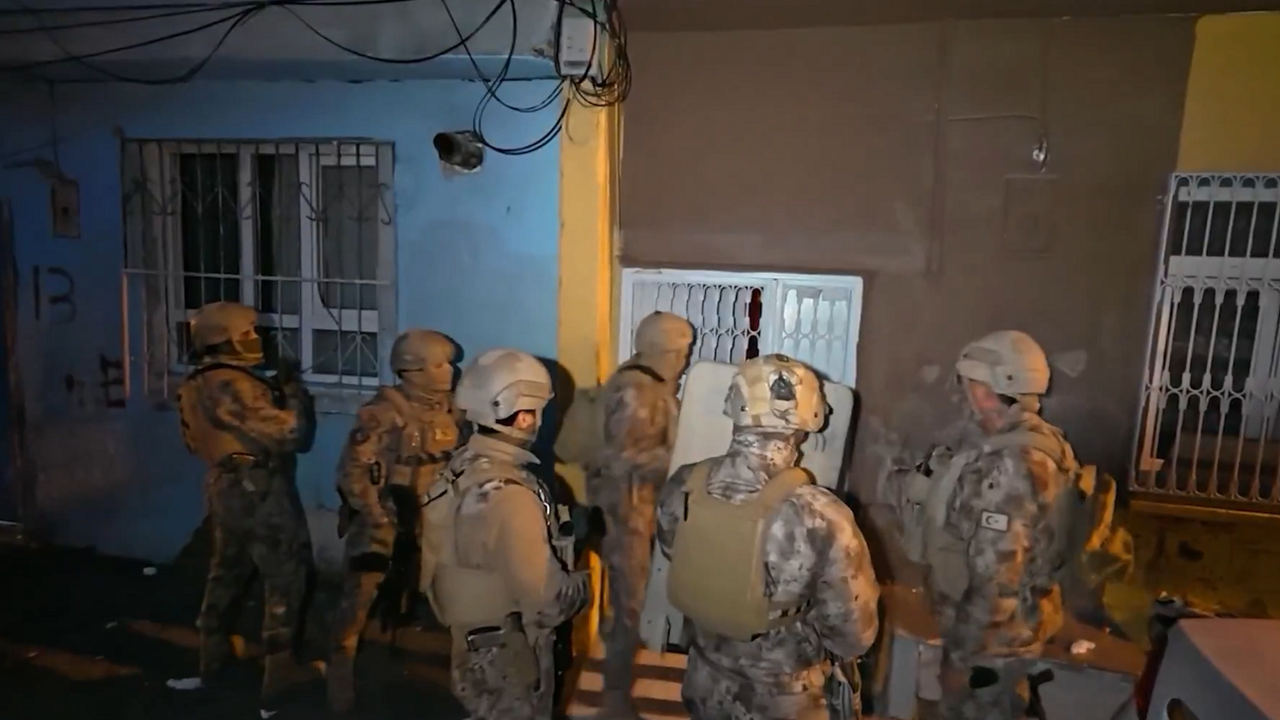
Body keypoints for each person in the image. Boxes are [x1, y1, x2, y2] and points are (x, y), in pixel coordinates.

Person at [657, 354, 881, 720]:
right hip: (785, 700)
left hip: (705, 681)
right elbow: (854, 635)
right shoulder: (823, 514)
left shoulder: (685, 484)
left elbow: (673, 552)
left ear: (735, 405)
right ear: (810, 418)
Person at [886, 330, 1080, 720]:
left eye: (970, 382)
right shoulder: (1018, 444)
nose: (965, 392)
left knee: (978, 709)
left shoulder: (1012, 466)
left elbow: (997, 581)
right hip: (997, 634)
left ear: (989, 390)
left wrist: (965, 660)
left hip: (991, 644)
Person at [420, 348, 592, 720]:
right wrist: (584, 583)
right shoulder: (510, 494)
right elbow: (548, 603)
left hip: (476, 646)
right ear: (524, 415)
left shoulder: (463, 466)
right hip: (508, 660)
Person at [175, 301, 313, 705]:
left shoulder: (198, 381)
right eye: (247, 333)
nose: (256, 339)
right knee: (287, 574)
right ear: (222, 340)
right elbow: (291, 434)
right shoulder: (230, 384)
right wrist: (293, 391)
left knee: (228, 572)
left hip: (225, 482)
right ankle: (280, 674)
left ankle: (213, 658)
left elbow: (193, 442)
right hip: (257, 485)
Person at [327, 329, 462, 713]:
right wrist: (374, 514)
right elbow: (351, 472)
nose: (449, 371)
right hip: (385, 519)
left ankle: (455, 686)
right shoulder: (382, 414)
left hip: (435, 521)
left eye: (449, 363)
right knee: (358, 602)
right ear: (412, 369)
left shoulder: (453, 409)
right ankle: (339, 683)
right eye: (439, 364)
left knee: (456, 604)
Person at [586, 311, 693, 719]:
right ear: (660, 350)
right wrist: (683, 459)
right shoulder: (638, 391)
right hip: (628, 513)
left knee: (635, 603)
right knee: (628, 606)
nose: (682, 360)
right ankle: (614, 699)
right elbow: (622, 458)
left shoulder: (645, 383)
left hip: (638, 508)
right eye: (679, 351)